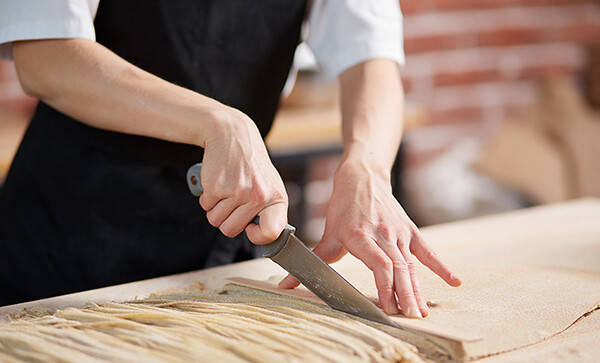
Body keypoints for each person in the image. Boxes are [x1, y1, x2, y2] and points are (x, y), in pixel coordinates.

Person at [0, 0, 461, 315]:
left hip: (222, 234)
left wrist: (367, 166)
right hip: (65, 238)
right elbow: (45, 55)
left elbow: (370, 56)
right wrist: (221, 123)